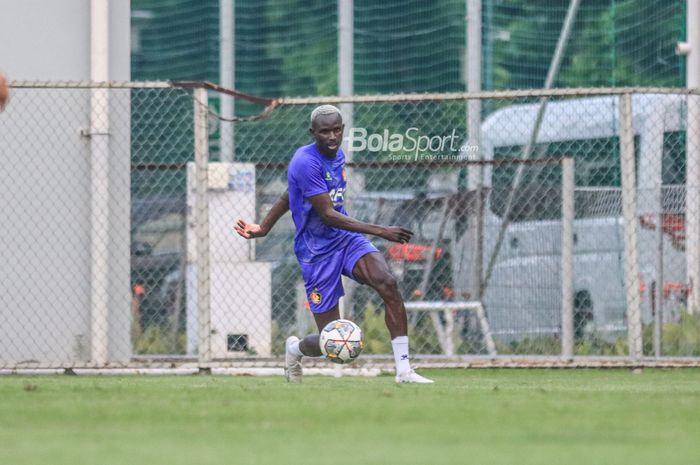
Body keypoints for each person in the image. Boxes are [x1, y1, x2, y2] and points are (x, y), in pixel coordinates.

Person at [235, 105, 433, 384]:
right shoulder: (304, 161)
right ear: (312, 132)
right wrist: (381, 231)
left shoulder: (338, 155)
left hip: (345, 239)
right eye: (324, 131)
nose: (332, 136)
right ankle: (295, 349)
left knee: (387, 282)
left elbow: (291, 193)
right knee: (333, 343)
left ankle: (404, 371)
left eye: (337, 129)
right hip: (316, 252)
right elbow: (327, 214)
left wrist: (264, 227)